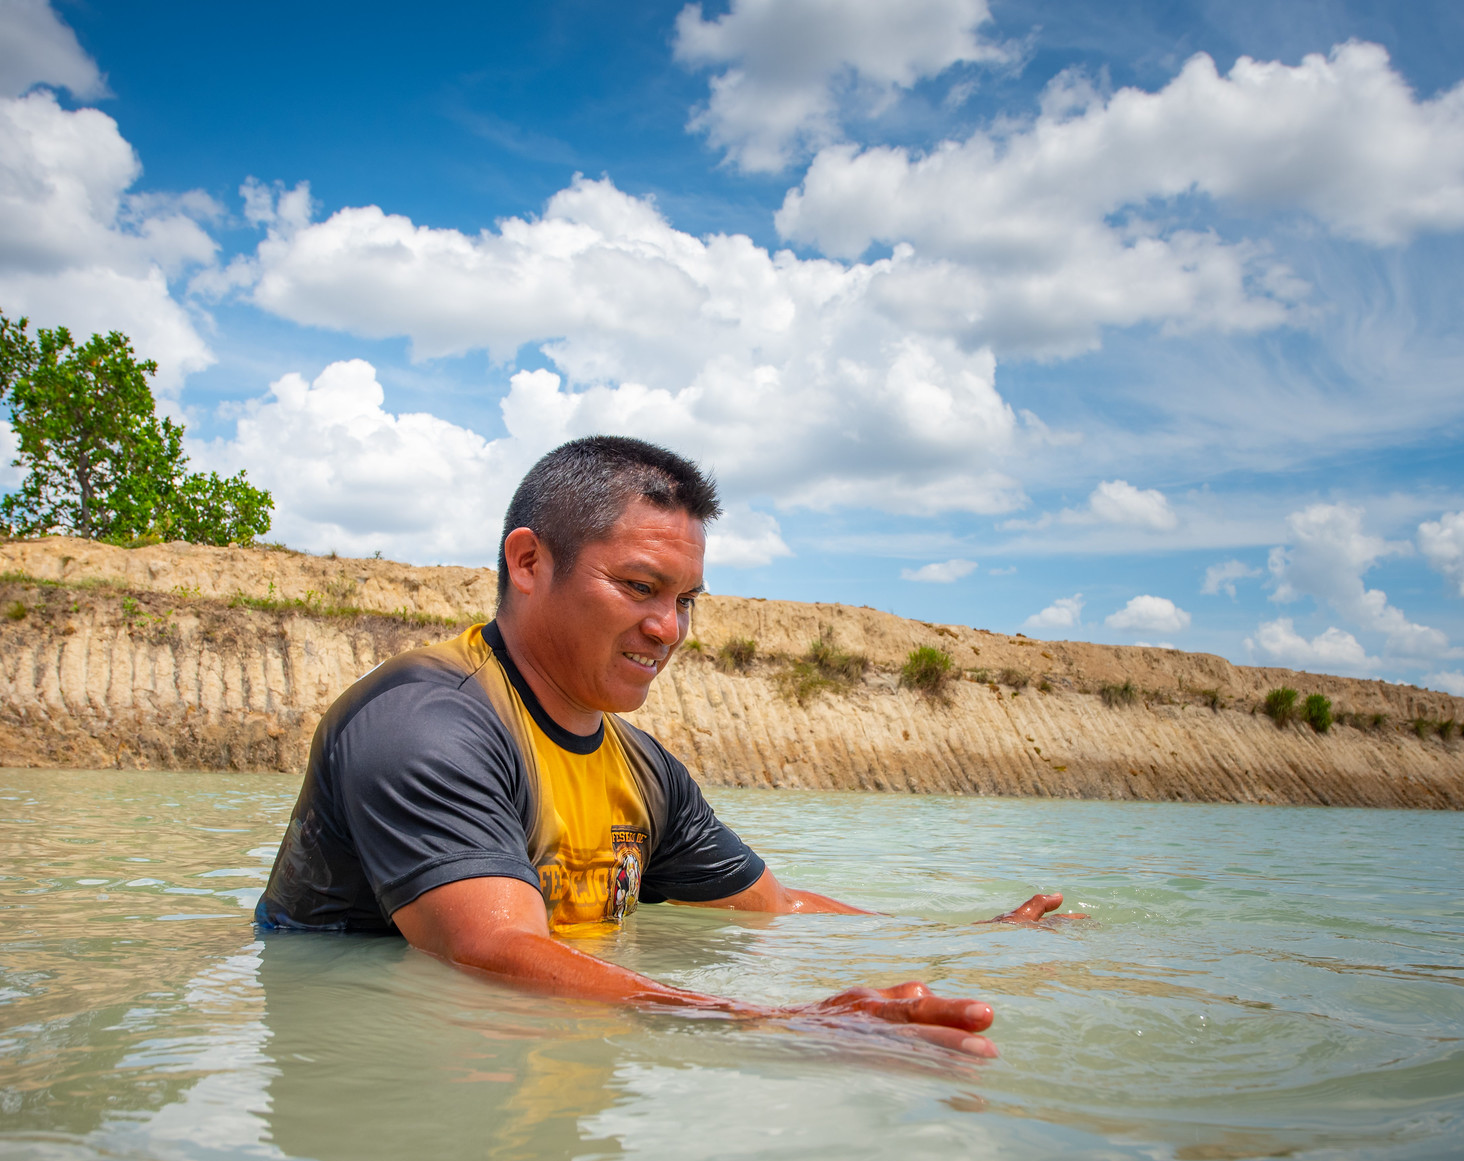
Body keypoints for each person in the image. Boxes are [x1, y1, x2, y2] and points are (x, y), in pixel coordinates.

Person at [256, 436, 1070, 1056]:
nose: (668, 629)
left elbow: (777, 907)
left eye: (685, 600)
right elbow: (494, 949)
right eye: (640, 587)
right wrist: (782, 1025)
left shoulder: (643, 770)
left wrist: (966, 935)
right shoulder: (425, 722)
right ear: (530, 561)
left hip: (552, 1084)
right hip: (382, 1096)